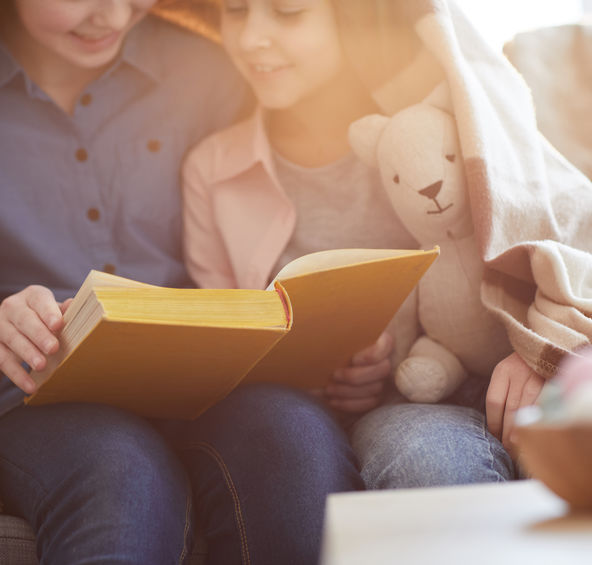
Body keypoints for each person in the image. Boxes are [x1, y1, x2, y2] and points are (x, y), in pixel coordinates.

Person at [0, 1, 371, 563]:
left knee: (294, 437)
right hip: (33, 402)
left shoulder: (214, 71)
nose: (116, 15)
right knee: (119, 469)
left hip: (206, 386)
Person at [183, 0, 592, 492]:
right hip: (408, 408)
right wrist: (324, 375)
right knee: (431, 467)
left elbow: (566, 229)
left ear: (349, 17)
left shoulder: (449, 124)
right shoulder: (212, 170)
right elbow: (222, 351)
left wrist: (539, 348)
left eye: (288, 12)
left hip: (523, 378)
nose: (251, 38)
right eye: (234, 10)